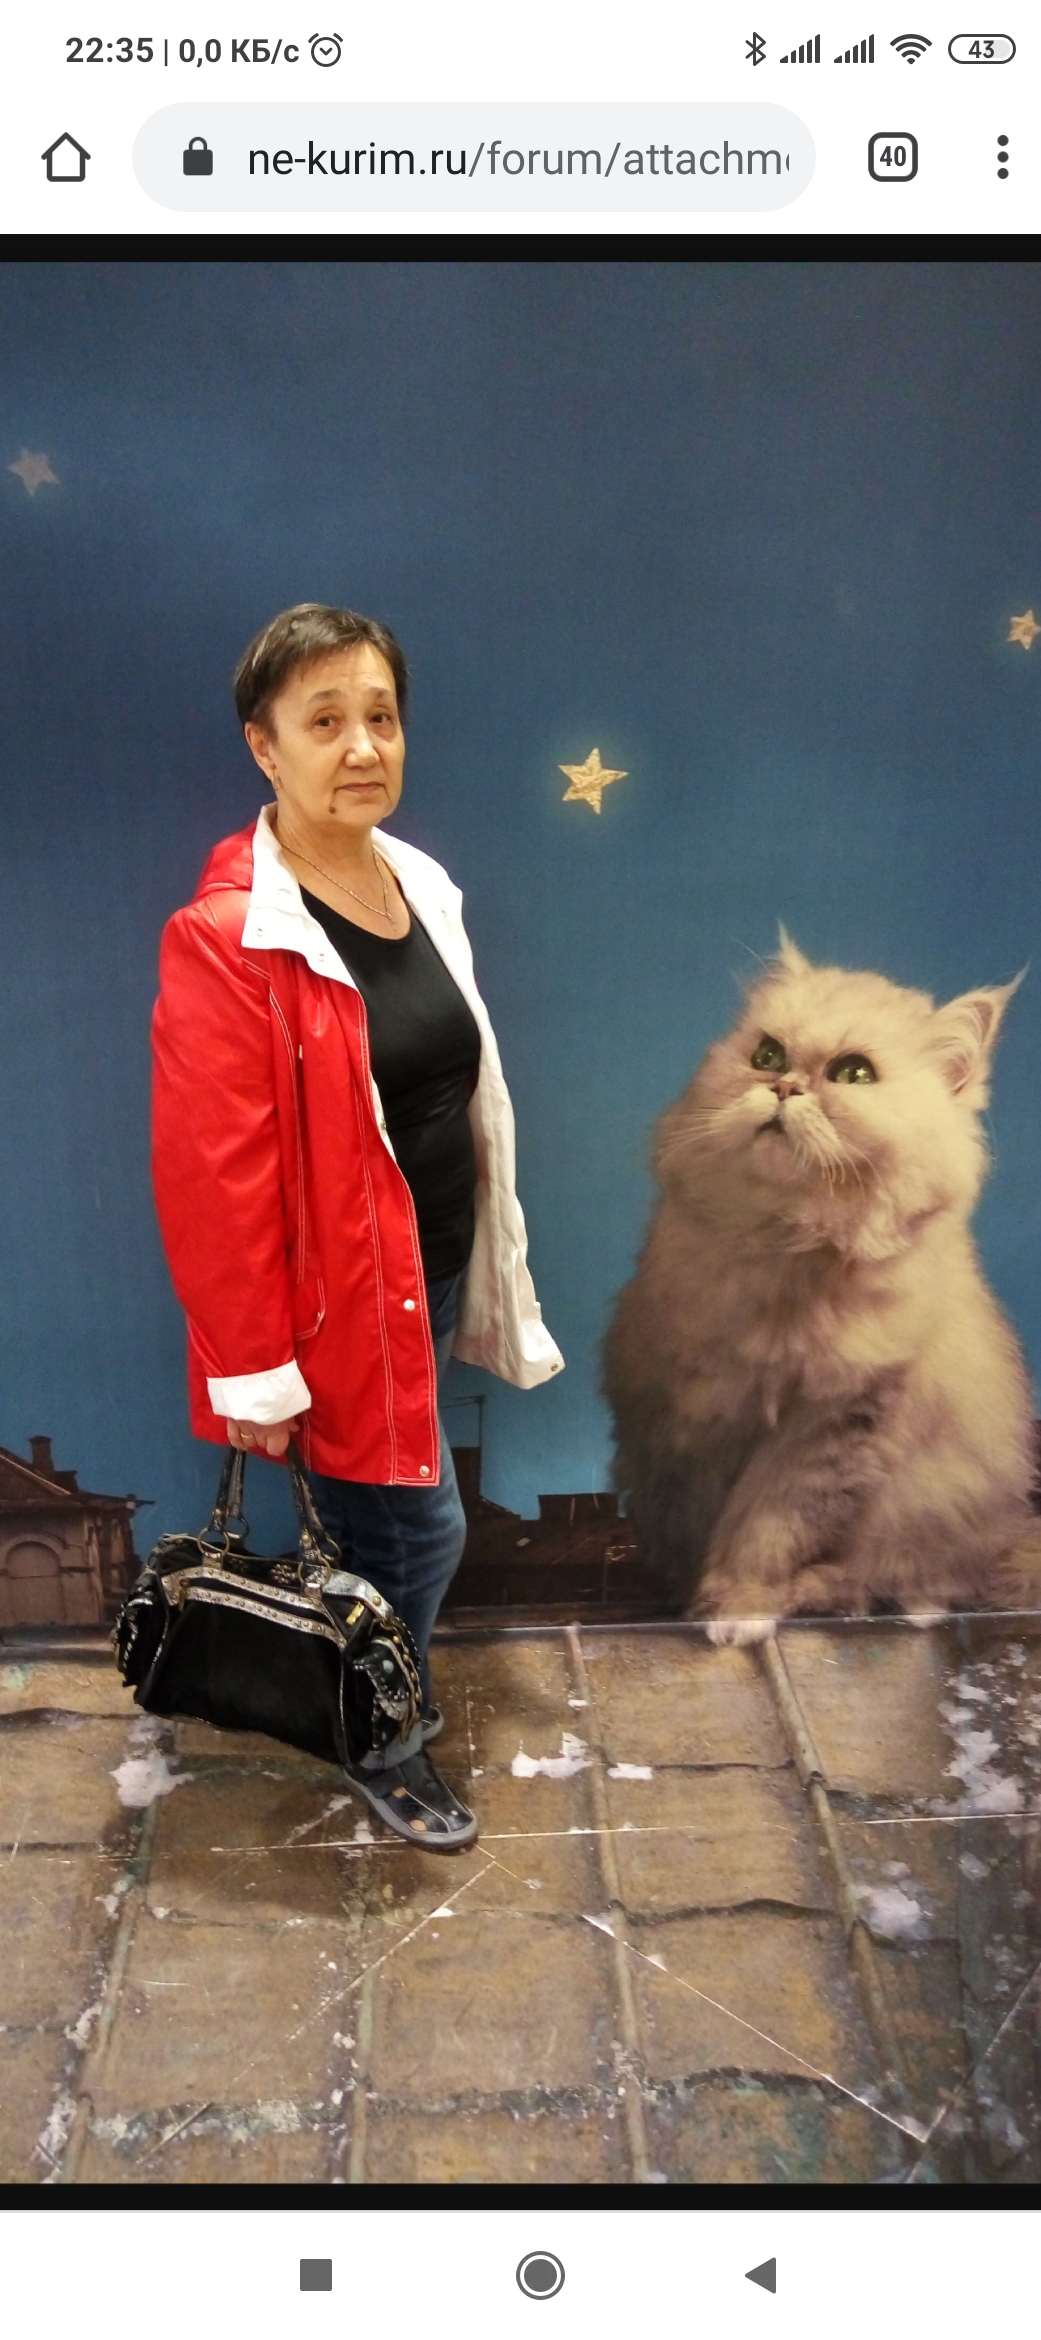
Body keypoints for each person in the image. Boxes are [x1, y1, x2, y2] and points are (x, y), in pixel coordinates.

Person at [151, 602, 563, 1851]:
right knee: (416, 1531)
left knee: (385, 1534)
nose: (363, 747)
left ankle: (366, 1690)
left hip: (420, 1278)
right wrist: (253, 1370)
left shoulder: (415, 883)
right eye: (324, 721)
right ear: (264, 747)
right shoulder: (229, 939)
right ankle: (379, 1731)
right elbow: (211, 1179)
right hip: (330, 1319)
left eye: (380, 717)